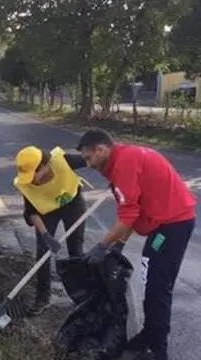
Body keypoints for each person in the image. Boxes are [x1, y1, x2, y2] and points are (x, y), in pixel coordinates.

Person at [76, 128, 196, 360]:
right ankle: (150, 334)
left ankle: (157, 349)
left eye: (89, 158)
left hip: (172, 226)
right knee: (151, 283)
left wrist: (103, 245)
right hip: (165, 223)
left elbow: (128, 216)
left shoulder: (124, 164)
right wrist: (119, 244)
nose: (88, 164)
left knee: (157, 287)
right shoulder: (122, 160)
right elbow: (134, 208)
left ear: (101, 149)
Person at [14, 145, 90, 315]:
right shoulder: (26, 184)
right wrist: (46, 236)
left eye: (33, 174)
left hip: (72, 203)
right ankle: (42, 298)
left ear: (44, 166)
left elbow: (93, 159)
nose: (30, 180)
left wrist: (114, 175)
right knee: (43, 251)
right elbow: (32, 212)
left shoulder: (64, 161)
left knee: (76, 250)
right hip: (46, 210)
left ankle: (81, 296)